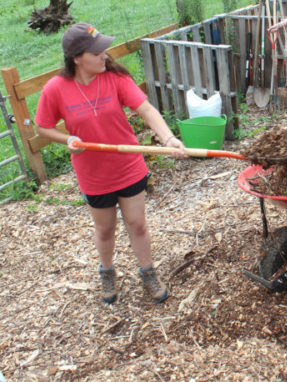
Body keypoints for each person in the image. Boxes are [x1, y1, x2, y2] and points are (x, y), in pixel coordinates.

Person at [34, 23, 187, 304]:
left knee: (137, 224)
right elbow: (42, 126)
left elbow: (146, 108)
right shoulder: (56, 89)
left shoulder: (114, 78)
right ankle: (107, 272)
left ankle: (148, 272)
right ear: (77, 58)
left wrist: (168, 139)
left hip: (128, 166)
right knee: (105, 229)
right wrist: (66, 139)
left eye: (103, 49)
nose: (105, 55)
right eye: (96, 52)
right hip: (93, 174)